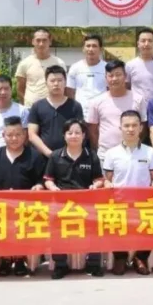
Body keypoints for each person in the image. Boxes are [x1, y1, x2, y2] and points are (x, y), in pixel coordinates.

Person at [0, 116, 46, 277]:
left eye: (18, 134)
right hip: (0, 208)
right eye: (10, 135)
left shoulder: (34, 156)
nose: (14, 138)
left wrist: (39, 186)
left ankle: (20, 259)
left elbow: (42, 179)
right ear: (3, 136)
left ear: (24, 135)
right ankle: (4, 258)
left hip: (26, 208)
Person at [43, 119, 105, 279]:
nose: (74, 136)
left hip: (86, 203)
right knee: (56, 230)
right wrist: (53, 187)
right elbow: (48, 179)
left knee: (96, 227)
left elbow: (99, 179)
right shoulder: (55, 156)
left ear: (84, 135)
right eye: (70, 133)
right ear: (64, 135)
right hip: (62, 204)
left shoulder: (91, 155)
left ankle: (94, 263)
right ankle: (60, 265)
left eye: (78, 132)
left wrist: (95, 185)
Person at [103, 111, 153, 276]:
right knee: (114, 227)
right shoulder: (111, 153)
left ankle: (140, 258)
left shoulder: (150, 152)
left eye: (134, 125)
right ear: (120, 128)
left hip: (144, 202)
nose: (130, 129)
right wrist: (107, 183)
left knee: (152, 226)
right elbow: (107, 179)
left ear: (141, 128)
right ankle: (120, 258)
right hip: (119, 202)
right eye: (126, 125)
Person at [88, 60, 148, 162]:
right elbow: (92, 130)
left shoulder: (138, 99)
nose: (114, 79)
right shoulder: (96, 101)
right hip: (105, 156)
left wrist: (135, 144)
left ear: (125, 76)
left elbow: (143, 126)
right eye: (111, 75)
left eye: (118, 74)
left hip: (133, 155)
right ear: (106, 78)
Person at [28, 66, 85, 157]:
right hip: (42, 157)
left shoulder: (75, 106)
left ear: (65, 82)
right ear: (46, 83)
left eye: (59, 80)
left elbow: (80, 133)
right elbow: (32, 134)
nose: (56, 84)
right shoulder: (37, 106)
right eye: (52, 80)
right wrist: (49, 153)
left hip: (68, 157)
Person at [16, 28, 66, 107]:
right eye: (38, 40)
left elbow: (64, 87)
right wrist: (25, 104)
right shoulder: (24, 63)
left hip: (53, 108)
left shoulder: (59, 63)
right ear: (33, 42)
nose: (41, 44)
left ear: (50, 42)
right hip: (30, 108)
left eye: (44, 40)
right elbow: (20, 89)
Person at [66, 33, 108, 122]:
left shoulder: (107, 68)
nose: (91, 49)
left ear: (100, 49)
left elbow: (110, 90)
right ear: (83, 48)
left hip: (102, 114)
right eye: (88, 46)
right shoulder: (75, 67)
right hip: (80, 114)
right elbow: (70, 92)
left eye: (94, 46)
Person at [125, 27, 153, 107]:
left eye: (150, 41)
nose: (146, 44)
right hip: (137, 108)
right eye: (143, 41)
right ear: (138, 44)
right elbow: (126, 87)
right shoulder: (130, 65)